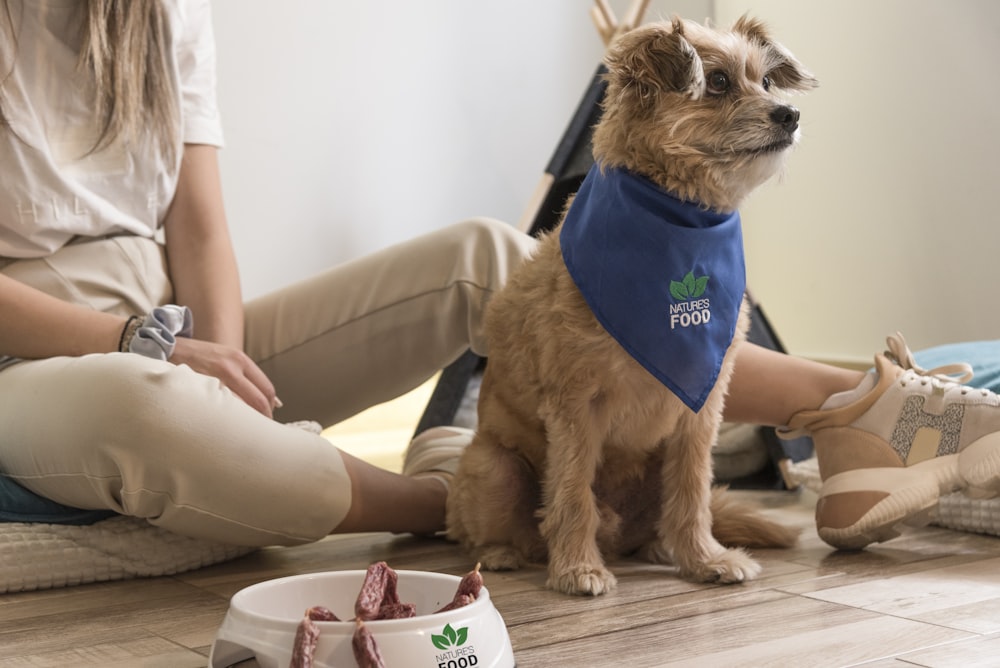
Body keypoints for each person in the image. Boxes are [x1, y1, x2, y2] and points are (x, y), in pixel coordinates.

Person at [1, 0, 998, 554]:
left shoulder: (156, 14)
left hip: (171, 324)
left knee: (487, 252)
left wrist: (219, 357)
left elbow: (201, 224)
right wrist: (151, 352)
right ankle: (452, 496)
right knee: (150, 408)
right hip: (40, 356)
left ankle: (864, 410)